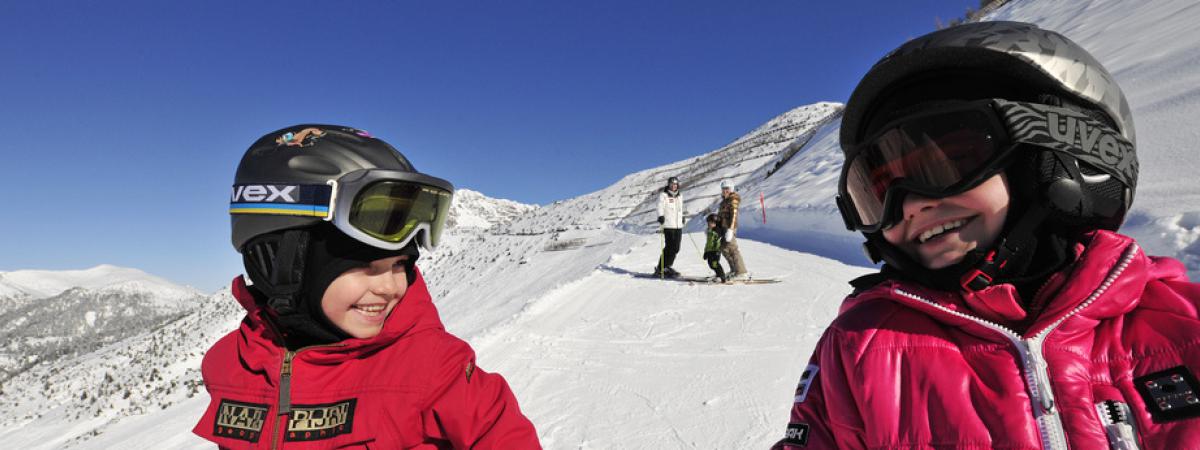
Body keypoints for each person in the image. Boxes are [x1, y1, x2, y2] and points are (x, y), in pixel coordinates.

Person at [772, 21, 1200, 449]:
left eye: (945, 165)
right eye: (878, 189)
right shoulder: (861, 347)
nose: (908, 205)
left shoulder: (1186, 324)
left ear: (1053, 156)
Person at [193, 125, 541, 449]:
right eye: (365, 267)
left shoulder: (434, 366)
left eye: (400, 265)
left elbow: (502, 433)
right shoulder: (227, 363)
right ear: (283, 262)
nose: (391, 287)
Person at [654, 176, 685, 278]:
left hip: (678, 226)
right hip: (668, 225)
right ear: (669, 185)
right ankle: (661, 267)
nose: (673, 186)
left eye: (675, 184)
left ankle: (667, 266)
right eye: (672, 184)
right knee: (669, 247)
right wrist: (660, 216)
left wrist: (682, 216)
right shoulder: (664, 195)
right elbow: (660, 206)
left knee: (676, 248)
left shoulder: (680, 196)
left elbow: (680, 209)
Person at [717, 180, 748, 279]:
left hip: (730, 228)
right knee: (723, 248)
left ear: (731, 189)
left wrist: (730, 229)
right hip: (723, 228)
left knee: (733, 248)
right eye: (723, 189)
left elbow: (734, 215)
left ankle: (741, 272)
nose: (725, 191)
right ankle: (734, 270)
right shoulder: (724, 201)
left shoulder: (733, 199)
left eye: (727, 189)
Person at [703, 214, 727, 283]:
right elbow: (708, 243)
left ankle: (722, 276)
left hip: (716, 251)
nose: (709, 224)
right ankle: (718, 275)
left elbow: (719, 241)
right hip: (710, 251)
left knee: (715, 264)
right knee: (711, 264)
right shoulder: (710, 232)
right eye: (708, 223)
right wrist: (706, 252)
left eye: (711, 223)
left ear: (716, 223)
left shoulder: (717, 231)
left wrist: (717, 250)